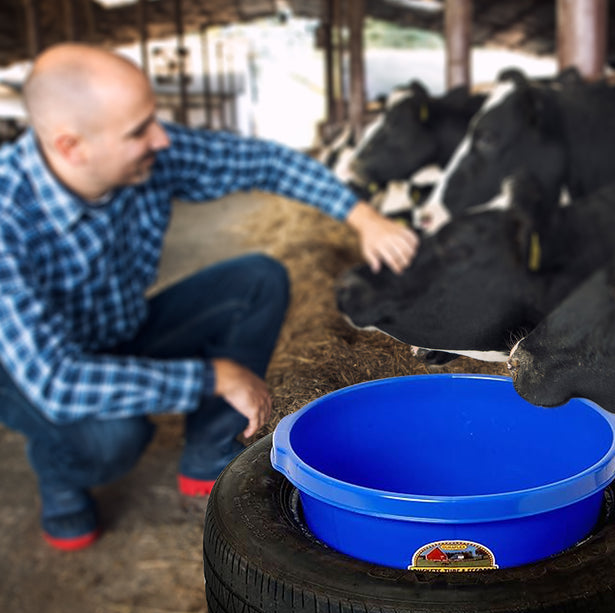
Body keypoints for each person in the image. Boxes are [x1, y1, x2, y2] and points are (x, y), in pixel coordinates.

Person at [0, 43, 418, 551]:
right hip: (32, 375)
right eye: (138, 131)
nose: (160, 138)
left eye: (153, 119)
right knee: (115, 437)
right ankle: (60, 475)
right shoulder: (8, 214)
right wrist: (213, 376)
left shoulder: (151, 156)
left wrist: (363, 217)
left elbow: (263, 162)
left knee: (257, 279)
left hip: (121, 328)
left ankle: (206, 452)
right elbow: (57, 381)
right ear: (71, 147)